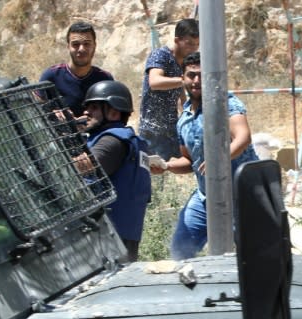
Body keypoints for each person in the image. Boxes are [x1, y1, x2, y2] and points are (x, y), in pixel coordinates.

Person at [152, 51, 258, 260]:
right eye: (191, 75)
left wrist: (219, 160)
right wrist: (166, 166)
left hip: (240, 194)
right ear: (182, 78)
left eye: (202, 75)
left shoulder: (225, 102)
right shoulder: (184, 118)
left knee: (252, 257)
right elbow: (189, 161)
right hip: (205, 196)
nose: (197, 81)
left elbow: (243, 137)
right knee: (181, 249)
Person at [81, 80, 151, 262]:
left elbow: (80, 168)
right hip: (122, 239)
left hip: (106, 240)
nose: (86, 112)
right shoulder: (130, 140)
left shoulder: (112, 142)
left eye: (94, 107)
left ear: (113, 112)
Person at [139, 18, 200, 160]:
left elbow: (180, 94)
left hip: (172, 128)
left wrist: (188, 112)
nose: (193, 49)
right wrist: (184, 81)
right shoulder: (161, 55)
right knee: (155, 174)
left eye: (197, 44)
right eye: (189, 44)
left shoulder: (184, 62)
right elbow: (154, 81)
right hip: (153, 129)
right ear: (177, 40)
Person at [39, 22, 113, 123]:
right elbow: (36, 108)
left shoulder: (105, 79)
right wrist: (52, 113)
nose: (81, 49)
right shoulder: (51, 76)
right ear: (68, 46)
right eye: (75, 44)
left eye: (87, 44)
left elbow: (112, 115)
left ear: (94, 46)